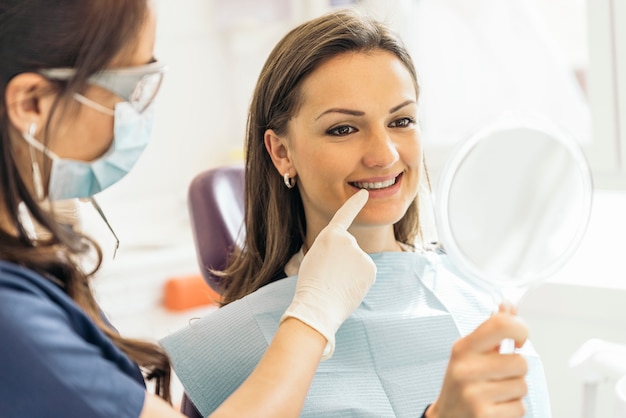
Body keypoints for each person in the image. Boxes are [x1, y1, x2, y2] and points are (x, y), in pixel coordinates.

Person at [160, 8, 552, 418]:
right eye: (343, 129)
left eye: (401, 120)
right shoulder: (233, 347)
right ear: (281, 152)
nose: (384, 155)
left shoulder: (479, 296)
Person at [0, 1, 377, 417]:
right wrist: (313, 316)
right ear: (32, 102)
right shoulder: (12, 318)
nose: (384, 154)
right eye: (132, 87)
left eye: (403, 120)